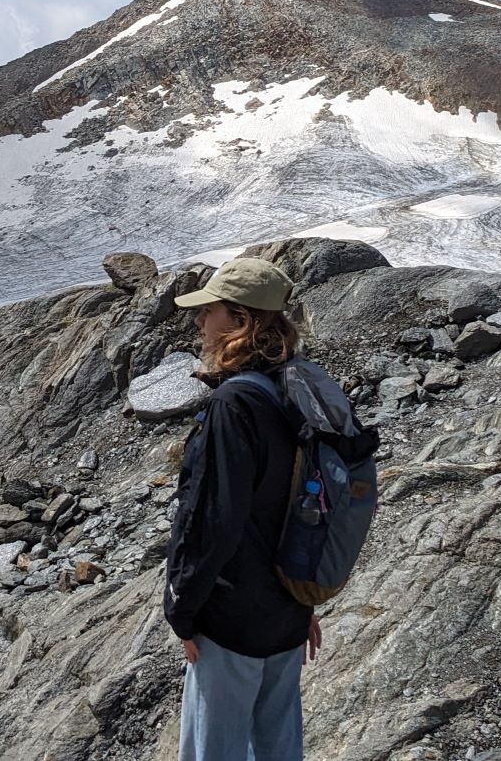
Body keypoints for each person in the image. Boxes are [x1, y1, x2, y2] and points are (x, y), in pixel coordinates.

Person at [165, 256, 322, 761]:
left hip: (232, 615)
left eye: (208, 311)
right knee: (277, 747)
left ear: (239, 320)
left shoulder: (234, 405)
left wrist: (182, 609)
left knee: (216, 749)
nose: (198, 322)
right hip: (286, 607)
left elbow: (211, 518)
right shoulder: (295, 388)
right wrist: (304, 603)